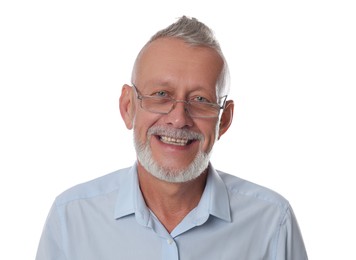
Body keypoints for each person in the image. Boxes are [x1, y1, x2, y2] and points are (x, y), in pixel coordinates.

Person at [36, 16, 308, 260]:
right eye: (161, 95)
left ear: (223, 120)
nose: (178, 119)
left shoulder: (272, 222)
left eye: (200, 100)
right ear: (128, 107)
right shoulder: (71, 218)